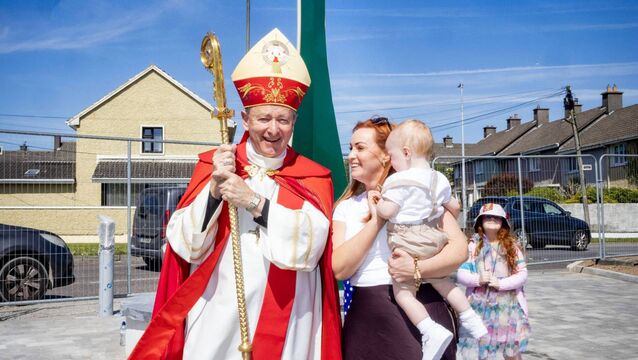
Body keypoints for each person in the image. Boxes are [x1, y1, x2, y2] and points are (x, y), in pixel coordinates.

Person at [129, 28, 342, 360]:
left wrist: (254, 202)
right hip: (221, 306)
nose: (273, 129)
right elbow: (185, 244)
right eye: (264, 118)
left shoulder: (312, 175)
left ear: (294, 121)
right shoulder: (216, 166)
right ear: (244, 118)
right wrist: (214, 190)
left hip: (291, 315)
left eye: (283, 120)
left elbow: (312, 246)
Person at [332, 116, 468, 360]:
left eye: (360, 148)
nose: (351, 155)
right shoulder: (345, 208)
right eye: (350, 148)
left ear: (387, 155)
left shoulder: (420, 194)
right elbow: (339, 269)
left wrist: (417, 268)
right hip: (365, 317)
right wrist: (377, 220)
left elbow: (459, 251)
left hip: (420, 309)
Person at [374, 120, 487, 359]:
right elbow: (454, 207)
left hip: (407, 239)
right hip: (434, 237)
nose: (391, 162)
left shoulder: (397, 180)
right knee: (442, 280)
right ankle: (469, 317)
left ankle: (429, 331)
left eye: (392, 156)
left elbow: (388, 211)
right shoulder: (439, 179)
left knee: (403, 293)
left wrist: (378, 203)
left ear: (406, 153)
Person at [456, 203, 531, 360]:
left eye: (497, 217)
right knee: (479, 348)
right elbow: (461, 274)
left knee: (510, 350)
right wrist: (478, 279)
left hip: (508, 308)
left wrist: (501, 284)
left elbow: (522, 274)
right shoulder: (473, 246)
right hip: (479, 308)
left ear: (503, 222)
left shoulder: (512, 247)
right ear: (480, 221)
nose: (492, 219)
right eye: (487, 217)